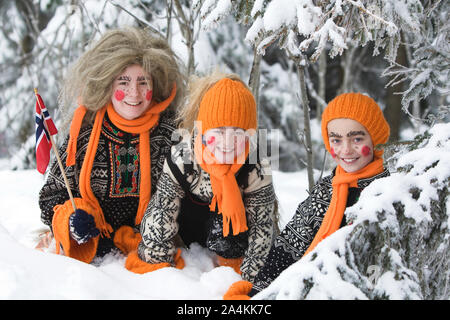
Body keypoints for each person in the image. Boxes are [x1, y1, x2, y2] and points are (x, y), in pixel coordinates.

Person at [38, 27, 185, 264]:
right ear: (107, 85)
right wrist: (72, 219)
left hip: (152, 252)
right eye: (124, 82)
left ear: (155, 85)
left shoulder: (172, 132)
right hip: (92, 255)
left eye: (143, 82)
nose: (134, 93)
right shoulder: (83, 133)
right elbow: (50, 197)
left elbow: (193, 190)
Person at [224, 92, 391, 299]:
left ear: (375, 137)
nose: (346, 150)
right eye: (336, 140)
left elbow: (381, 261)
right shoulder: (327, 189)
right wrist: (260, 292)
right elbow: (292, 242)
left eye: (357, 138)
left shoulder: (389, 191)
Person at [125, 71, 279, 282]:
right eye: (220, 131)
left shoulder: (256, 163)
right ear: (204, 130)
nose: (227, 142)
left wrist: (253, 280)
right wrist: (157, 263)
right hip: (188, 233)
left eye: (237, 132)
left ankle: (231, 261)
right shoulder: (184, 155)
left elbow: (262, 225)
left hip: (235, 240)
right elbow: (162, 209)